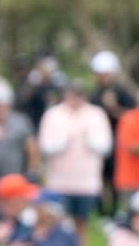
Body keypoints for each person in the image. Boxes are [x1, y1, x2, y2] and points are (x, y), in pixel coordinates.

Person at [38, 79, 112, 222]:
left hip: (87, 184)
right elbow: (44, 147)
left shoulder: (96, 114)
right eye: (73, 94)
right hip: (58, 183)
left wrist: (87, 140)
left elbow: (105, 148)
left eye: (79, 94)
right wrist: (64, 143)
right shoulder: (53, 114)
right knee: (60, 224)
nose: (76, 98)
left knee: (82, 224)